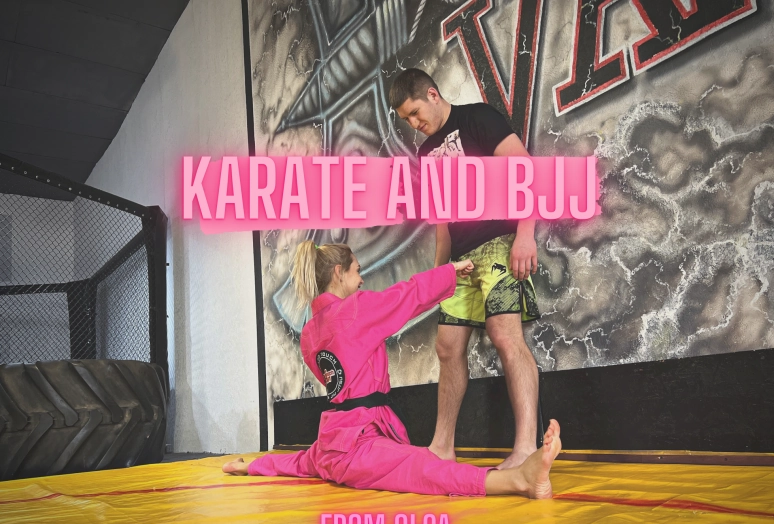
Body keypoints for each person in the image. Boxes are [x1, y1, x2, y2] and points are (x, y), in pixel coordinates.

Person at [223, 241, 561, 499]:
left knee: (304, 461)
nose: (361, 279)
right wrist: (450, 272)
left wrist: (251, 465)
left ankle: (248, 466)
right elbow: (406, 296)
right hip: (355, 443)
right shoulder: (353, 311)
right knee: (423, 468)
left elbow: (298, 462)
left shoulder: (310, 331)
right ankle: (518, 480)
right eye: (356, 271)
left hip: (332, 439)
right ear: (338, 273)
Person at [390, 68, 542, 469]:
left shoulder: (478, 117)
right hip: (460, 261)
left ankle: (526, 449)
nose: (413, 123)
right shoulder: (426, 154)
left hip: (499, 244)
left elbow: (525, 169)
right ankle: (441, 448)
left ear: (433, 94)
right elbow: (442, 221)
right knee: (446, 347)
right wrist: (435, 276)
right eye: (406, 119)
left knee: (505, 336)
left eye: (415, 112)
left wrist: (525, 235)